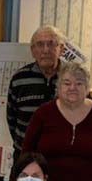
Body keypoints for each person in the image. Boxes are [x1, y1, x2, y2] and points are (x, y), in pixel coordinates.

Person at [7, 25, 65, 159]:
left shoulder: (72, 78)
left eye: (51, 44)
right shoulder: (19, 79)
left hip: (61, 157)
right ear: (33, 50)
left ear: (61, 49)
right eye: (40, 45)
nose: (45, 50)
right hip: (25, 155)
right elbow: (11, 118)